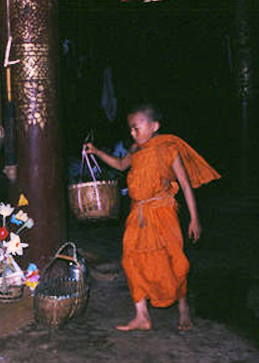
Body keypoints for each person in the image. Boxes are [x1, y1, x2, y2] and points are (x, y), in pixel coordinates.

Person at [85, 103, 220, 331]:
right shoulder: (135, 151)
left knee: (172, 260)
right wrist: (96, 152)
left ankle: (183, 308)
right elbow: (119, 164)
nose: (132, 132)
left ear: (154, 126)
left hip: (162, 212)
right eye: (130, 128)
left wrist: (194, 219)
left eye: (136, 127)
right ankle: (142, 316)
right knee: (131, 259)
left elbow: (186, 186)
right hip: (137, 213)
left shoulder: (168, 150)